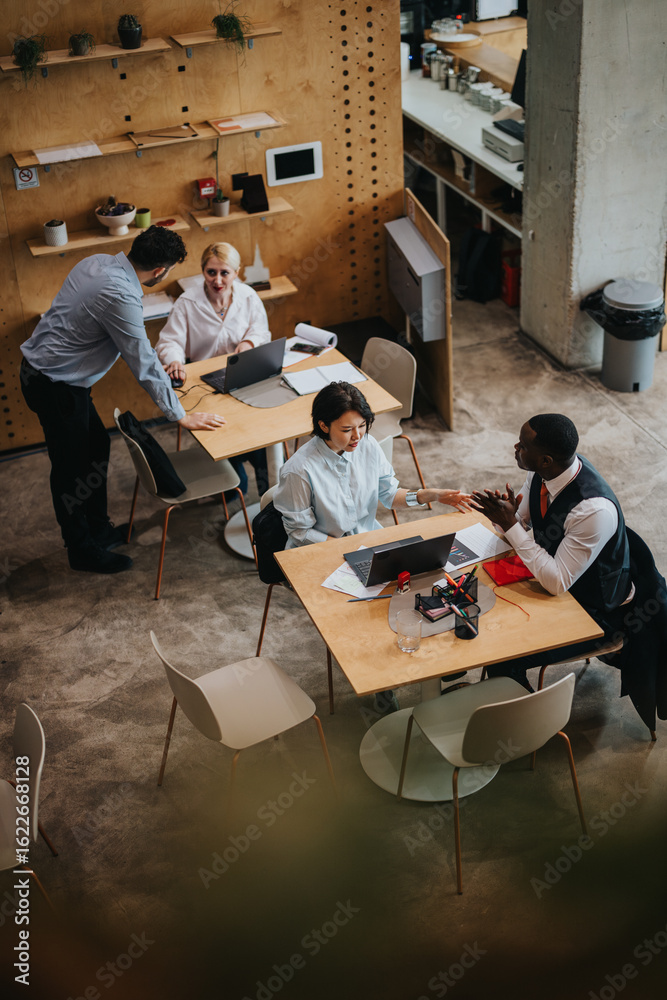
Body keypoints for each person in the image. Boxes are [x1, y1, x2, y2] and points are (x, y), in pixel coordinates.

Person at [20, 227, 224, 575]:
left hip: (53, 375)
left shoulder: (98, 262)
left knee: (96, 446)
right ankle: (80, 550)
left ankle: (99, 529)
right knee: (70, 470)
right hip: (54, 384)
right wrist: (179, 415)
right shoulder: (120, 295)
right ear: (160, 270)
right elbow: (142, 361)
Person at [273, 381, 471, 714]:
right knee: (371, 613)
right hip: (319, 556)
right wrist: (350, 552)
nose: (357, 437)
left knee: (427, 580)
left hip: (368, 546)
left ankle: (435, 667)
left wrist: (432, 495)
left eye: (362, 426)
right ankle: (379, 688)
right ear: (323, 425)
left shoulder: (367, 446)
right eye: (346, 430)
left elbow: (389, 495)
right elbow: (299, 531)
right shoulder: (299, 470)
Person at [471, 413, 634, 688]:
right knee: (475, 606)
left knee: (503, 655)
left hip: (597, 613)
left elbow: (557, 582)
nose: (515, 447)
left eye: (523, 445)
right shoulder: (543, 473)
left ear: (545, 460)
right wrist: (505, 518)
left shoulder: (592, 510)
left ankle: (526, 714)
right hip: (561, 588)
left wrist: (510, 525)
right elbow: (520, 523)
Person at [156, 241, 270, 496]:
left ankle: (263, 481)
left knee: (261, 427)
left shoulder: (248, 296)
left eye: (224, 273)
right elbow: (170, 341)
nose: (217, 280)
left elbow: (261, 329)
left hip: (243, 375)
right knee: (226, 437)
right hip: (204, 383)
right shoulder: (187, 302)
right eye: (211, 272)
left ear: (236, 273)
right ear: (202, 271)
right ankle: (234, 475)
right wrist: (175, 360)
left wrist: (249, 342)